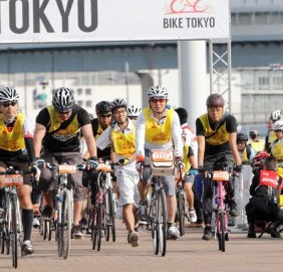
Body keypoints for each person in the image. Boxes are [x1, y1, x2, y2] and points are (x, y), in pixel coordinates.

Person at [34, 87, 96, 239]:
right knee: (45, 176)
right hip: (49, 152)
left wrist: (93, 157)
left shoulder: (81, 113)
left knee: (77, 182)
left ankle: (76, 224)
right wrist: (36, 159)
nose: (64, 115)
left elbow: (89, 137)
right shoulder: (45, 114)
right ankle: (48, 205)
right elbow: (37, 137)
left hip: (72, 153)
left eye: (67, 112)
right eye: (60, 112)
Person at [0, 87, 36, 255]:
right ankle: (0, 207)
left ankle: (27, 240)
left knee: (24, 195)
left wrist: (34, 163)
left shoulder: (24, 119)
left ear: (17, 105)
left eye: (13, 104)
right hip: (2, 156)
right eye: (5, 104)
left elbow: (29, 142)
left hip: (21, 157)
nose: (9, 108)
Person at [135, 86, 182, 240]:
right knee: (145, 177)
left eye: (161, 100)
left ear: (166, 101)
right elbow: (139, 137)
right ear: (150, 102)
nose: (158, 103)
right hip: (149, 151)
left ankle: (170, 224)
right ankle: (143, 202)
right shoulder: (143, 115)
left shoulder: (173, 115)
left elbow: (177, 137)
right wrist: (140, 156)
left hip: (166, 152)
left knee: (169, 187)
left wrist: (179, 156)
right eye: (154, 100)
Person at [196, 93, 242, 241]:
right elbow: (201, 146)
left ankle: (231, 200)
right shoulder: (201, 121)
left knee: (229, 174)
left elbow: (233, 145)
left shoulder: (230, 120)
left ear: (223, 109)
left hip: (225, 153)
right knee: (207, 189)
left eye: (218, 109)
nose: (215, 113)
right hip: (208, 155)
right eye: (212, 109)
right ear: (207, 110)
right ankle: (208, 227)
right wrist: (201, 166)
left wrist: (238, 164)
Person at [96, 98, 141, 247]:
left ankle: (136, 220)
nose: (120, 114)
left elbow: (145, 147)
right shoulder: (111, 131)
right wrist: (91, 159)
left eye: (122, 111)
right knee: (128, 202)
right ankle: (131, 231)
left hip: (140, 168)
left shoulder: (137, 126)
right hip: (123, 171)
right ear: (113, 115)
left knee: (138, 203)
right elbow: (97, 147)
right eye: (116, 112)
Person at [245, 155, 283, 238]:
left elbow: (251, 191)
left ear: (264, 166)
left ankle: (251, 230)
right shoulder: (280, 179)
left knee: (249, 205)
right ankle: (274, 226)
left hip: (257, 211)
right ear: (276, 167)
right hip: (273, 213)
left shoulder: (259, 174)